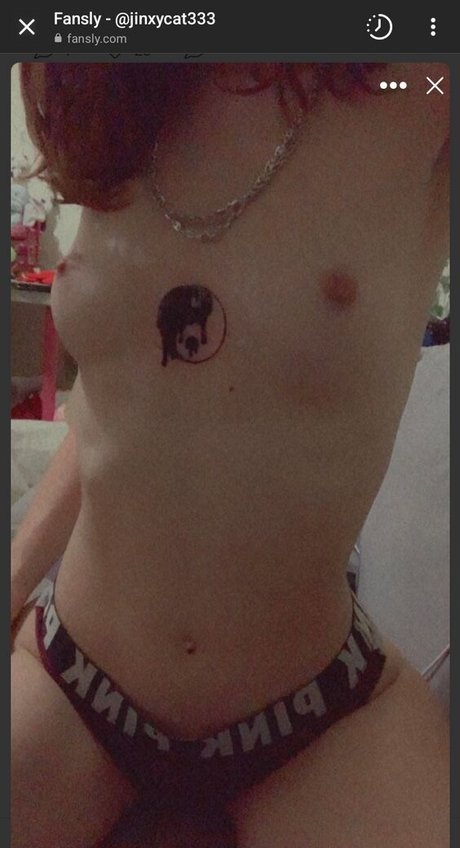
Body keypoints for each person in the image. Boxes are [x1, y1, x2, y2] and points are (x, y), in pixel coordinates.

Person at [11, 62, 449, 848]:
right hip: (75, 679)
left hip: (317, 717)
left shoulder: (423, 86)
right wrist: (12, 580)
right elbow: (122, 403)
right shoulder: (107, 78)